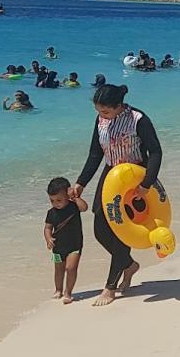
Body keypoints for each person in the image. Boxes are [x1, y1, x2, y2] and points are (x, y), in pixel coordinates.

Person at [72, 84, 163, 307]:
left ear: (118, 106)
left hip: (134, 178)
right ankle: (128, 265)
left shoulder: (138, 119)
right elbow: (95, 153)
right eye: (98, 111)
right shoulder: (101, 120)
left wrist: (146, 184)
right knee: (100, 227)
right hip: (111, 174)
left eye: (105, 111)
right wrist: (81, 182)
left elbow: (156, 152)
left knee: (121, 230)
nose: (101, 116)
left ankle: (110, 287)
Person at [44, 176, 87, 304]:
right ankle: (58, 290)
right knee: (58, 269)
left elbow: (84, 208)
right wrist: (48, 238)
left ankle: (68, 293)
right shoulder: (51, 213)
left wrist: (75, 197)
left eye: (59, 200)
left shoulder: (74, 206)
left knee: (71, 268)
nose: (56, 203)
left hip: (75, 245)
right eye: (52, 200)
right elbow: (47, 228)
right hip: (58, 247)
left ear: (67, 195)